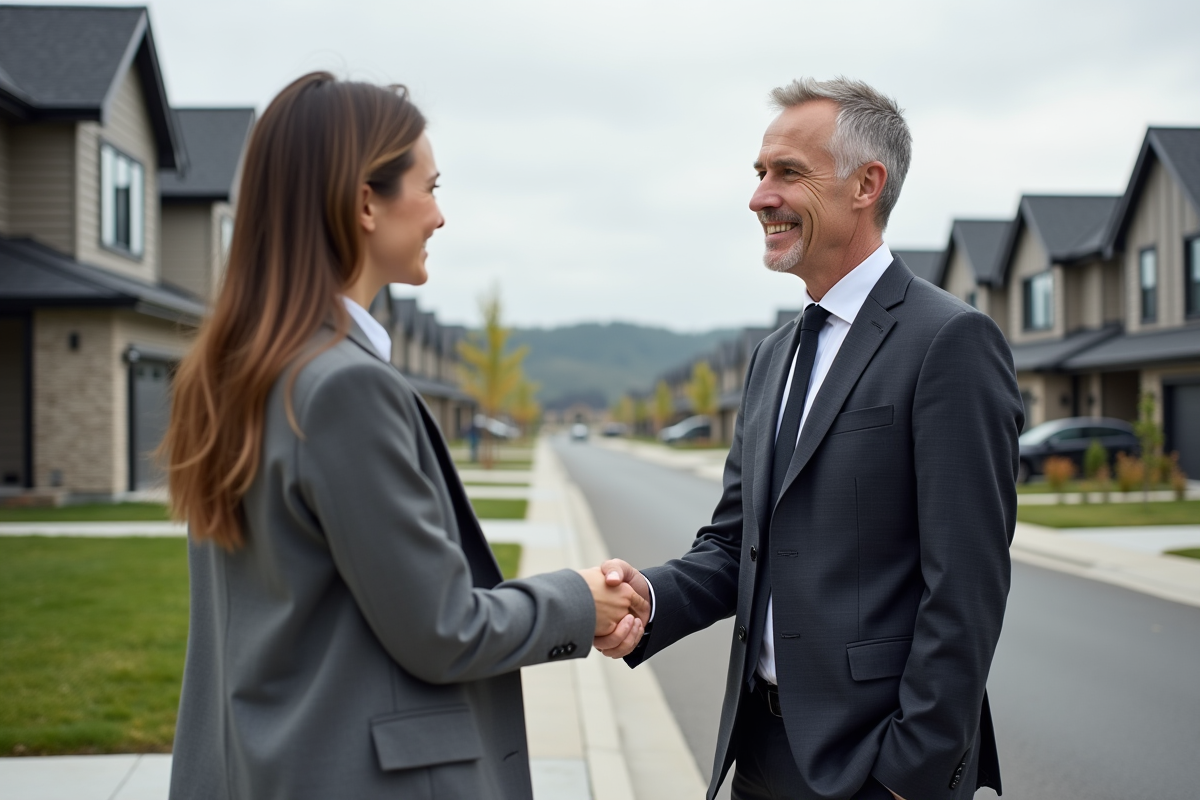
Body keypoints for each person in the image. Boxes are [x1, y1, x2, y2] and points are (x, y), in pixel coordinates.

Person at [162, 72, 645, 800]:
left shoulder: (236, 374)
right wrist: (581, 598)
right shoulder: (344, 387)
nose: (440, 217)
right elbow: (442, 627)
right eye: (430, 186)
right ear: (365, 202)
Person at [595, 77, 1023, 800]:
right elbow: (736, 545)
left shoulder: (950, 342)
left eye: (788, 172)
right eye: (760, 174)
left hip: (871, 770)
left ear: (866, 184)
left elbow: (966, 590)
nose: (761, 196)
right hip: (758, 754)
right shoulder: (773, 356)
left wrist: (905, 777)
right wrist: (649, 598)